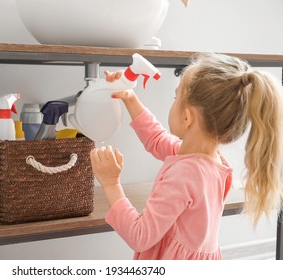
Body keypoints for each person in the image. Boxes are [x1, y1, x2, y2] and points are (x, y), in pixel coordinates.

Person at [90, 52, 283, 260]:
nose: (173, 101)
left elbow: (140, 235)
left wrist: (111, 184)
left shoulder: (185, 173)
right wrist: (130, 98)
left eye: (176, 97)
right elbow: (156, 139)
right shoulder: (210, 159)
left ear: (187, 117)